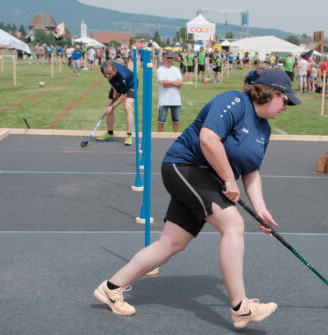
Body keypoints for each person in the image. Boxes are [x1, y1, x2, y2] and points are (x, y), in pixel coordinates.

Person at [93, 69, 301, 328]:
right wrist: (227, 179)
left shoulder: (264, 131)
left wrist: (261, 211)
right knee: (233, 224)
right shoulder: (234, 101)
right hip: (184, 166)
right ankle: (241, 307)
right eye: (285, 100)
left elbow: (251, 171)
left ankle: (111, 288)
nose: (286, 106)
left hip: (206, 179)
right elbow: (208, 138)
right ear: (271, 93)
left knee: (171, 244)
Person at [97, 60, 136, 146]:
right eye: (105, 73)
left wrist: (113, 106)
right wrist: (114, 89)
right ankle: (110, 134)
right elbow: (110, 79)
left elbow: (123, 95)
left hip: (130, 85)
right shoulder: (103, 68)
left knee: (127, 107)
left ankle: (129, 135)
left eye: (109, 73)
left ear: (115, 70)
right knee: (108, 108)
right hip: (116, 83)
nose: (107, 76)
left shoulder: (123, 76)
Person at [157, 50, 183, 132]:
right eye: (168, 57)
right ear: (163, 58)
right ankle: (159, 137)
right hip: (164, 99)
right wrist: (175, 83)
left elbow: (180, 83)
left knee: (176, 120)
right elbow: (162, 83)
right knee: (161, 120)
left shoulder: (176, 69)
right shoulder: (160, 70)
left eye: (171, 58)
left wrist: (169, 82)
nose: (170, 60)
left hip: (176, 100)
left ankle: (175, 137)